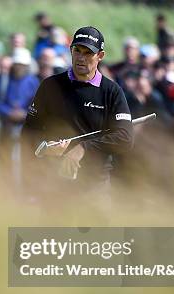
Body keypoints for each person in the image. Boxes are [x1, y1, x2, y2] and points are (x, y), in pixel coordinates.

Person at [23, 26, 134, 195]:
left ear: (100, 56)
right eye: (77, 50)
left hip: (94, 184)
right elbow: (29, 131)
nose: (81, 58)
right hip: (53, 182)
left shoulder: (111, 91)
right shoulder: (50, 86)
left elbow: (124, 138)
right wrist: (45, 147)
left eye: (88, 53)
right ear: (71, 50)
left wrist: (83, 148)